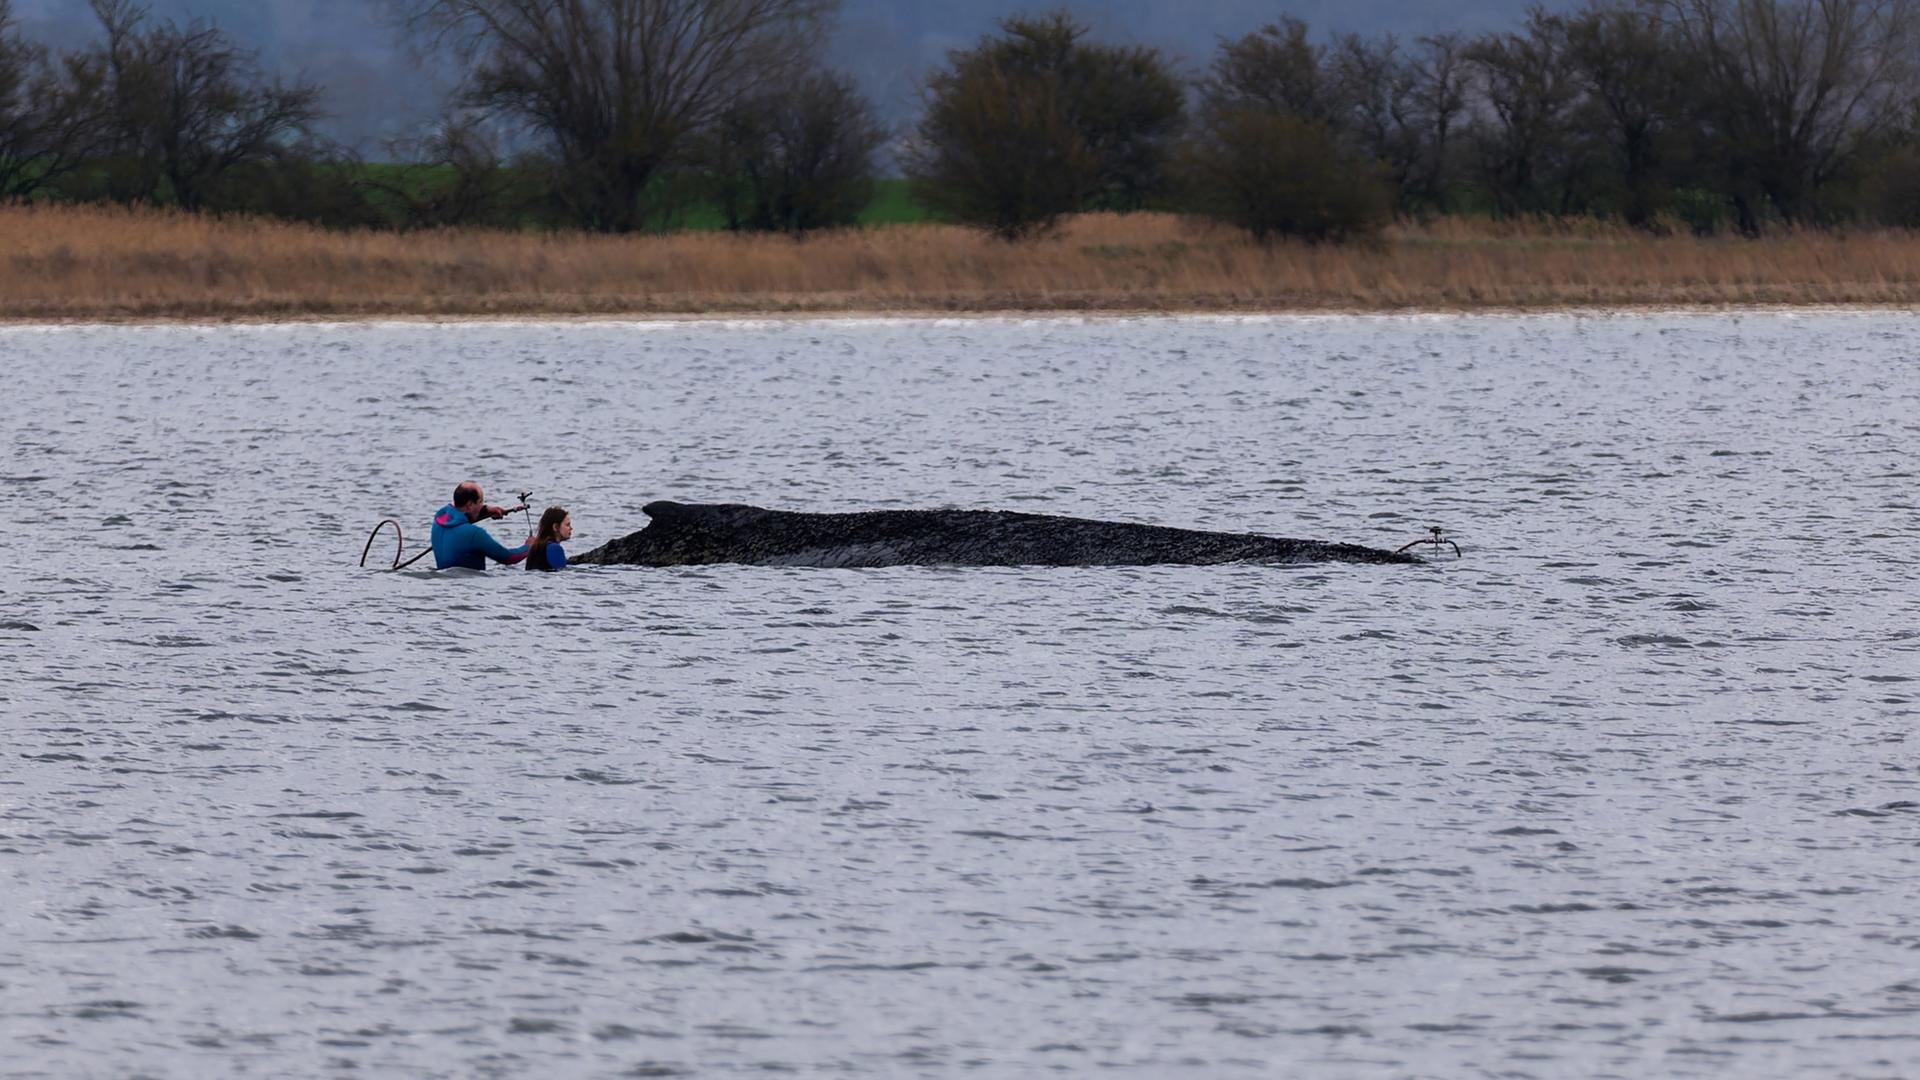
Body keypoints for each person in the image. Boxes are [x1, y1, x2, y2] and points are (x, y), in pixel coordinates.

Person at [430, 481, 532, 571]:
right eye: (480, 502)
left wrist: (486, 510)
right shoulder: (474, 534)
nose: (482, 505)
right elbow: (508, 558)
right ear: (469, 505)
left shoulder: (438, 520)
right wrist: (528, 546)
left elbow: (455, 511)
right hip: (469, 585)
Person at [526, 507, 573, 572]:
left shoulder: (535, 546)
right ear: (555, 527)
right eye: (567, 525)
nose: (571, 528)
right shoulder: (555, 548)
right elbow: (562, 572)